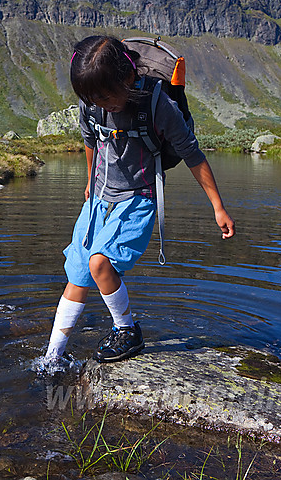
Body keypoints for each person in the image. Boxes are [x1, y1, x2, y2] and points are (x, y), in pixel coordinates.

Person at [43, 35, 235, 366]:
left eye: (106, 96)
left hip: (137, 197)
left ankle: (127, 330)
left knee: (99, 263)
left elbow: (192, 153)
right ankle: (51, 358)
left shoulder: (159, 105)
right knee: (77, 275)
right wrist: (90, 182)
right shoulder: (91, 103)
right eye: (92, 98)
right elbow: (90, 140)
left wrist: (218, 207)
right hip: (100, 197)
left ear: (128, 77)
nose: (101, 104)